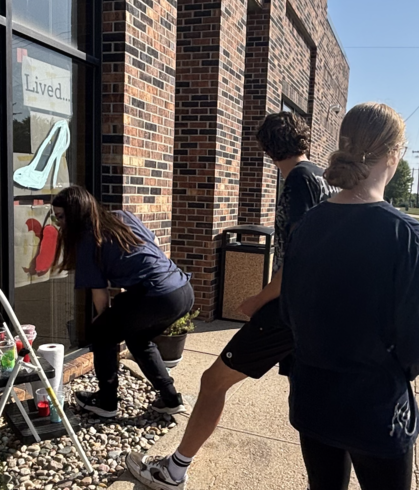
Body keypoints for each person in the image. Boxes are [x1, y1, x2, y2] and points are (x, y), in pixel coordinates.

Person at [127, 111, 335, 490]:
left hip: (290, 310)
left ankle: (173, 471)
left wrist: (259, 298)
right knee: (311, 404)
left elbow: (301, 257)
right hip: (313, 313)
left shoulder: (300, 181)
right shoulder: (320, 175)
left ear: (267, 148)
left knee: (213, 381)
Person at [282, 102, 419, 490]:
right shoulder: (408, 236)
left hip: (313, 401)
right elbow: (418, 344)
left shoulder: (306, 225)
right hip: (375, 408)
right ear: (394, 154)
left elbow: (289, 312)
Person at [52, 186, 194, 418]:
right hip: (181, 289)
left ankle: (107, 402)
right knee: (138, 338)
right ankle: (170, 399)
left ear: (75, 214)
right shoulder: (122, 216)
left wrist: (103, 322)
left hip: (155, 294)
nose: (58, 223)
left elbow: (100, 293)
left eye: (60, 216)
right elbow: (154, 242)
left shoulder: (87, 239)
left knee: (101, 332)